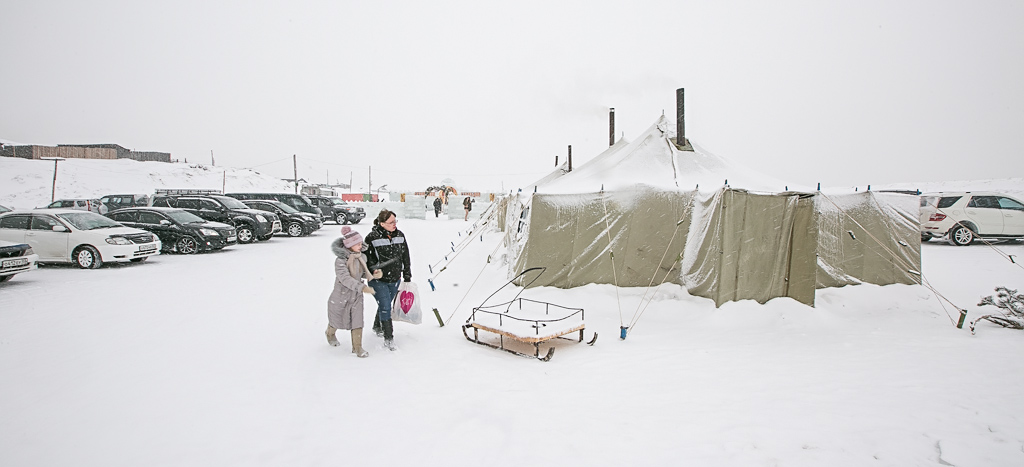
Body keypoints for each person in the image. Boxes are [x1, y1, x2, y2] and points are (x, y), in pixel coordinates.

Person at [326, 226, 381, 357]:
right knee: (337, 318)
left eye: (361, 243)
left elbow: (360, 274)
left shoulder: (361, 257)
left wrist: (373, 274)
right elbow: (345, 278)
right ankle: (330, 332)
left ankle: (357, 347)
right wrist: (362, 287)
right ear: (349, 245)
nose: (360, 246)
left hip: (356, 295)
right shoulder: (340, 260)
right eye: (357, 244)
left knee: (358, 320)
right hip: (341, 294)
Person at [363, 209, 411, 350]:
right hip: (378, 280)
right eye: (391, 222)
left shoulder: (400, 235)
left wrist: (407, 273)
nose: (394, 224)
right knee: (385, 306)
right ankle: (389, 339)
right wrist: (373, 269)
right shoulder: (371, 238)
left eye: (395, 221)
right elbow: (366, 259)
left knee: (385, 303)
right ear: (382, 224)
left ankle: (377, 326)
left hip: (395, 278)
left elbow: (405, 256)